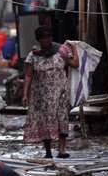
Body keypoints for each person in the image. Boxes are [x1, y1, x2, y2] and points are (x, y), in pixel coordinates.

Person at [22, 25, 78, 159]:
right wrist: (25, 94)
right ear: (38, 40)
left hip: (60, 93)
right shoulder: (33, 55)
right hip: (41, 95)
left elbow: (75, 64)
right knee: (44, 121)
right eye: (43, 38)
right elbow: (28, 75)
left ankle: (62, 149)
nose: (46, 40)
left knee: (62, 118)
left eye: (48, 38)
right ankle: (48, 151)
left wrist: (74, 47)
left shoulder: (61, 51)